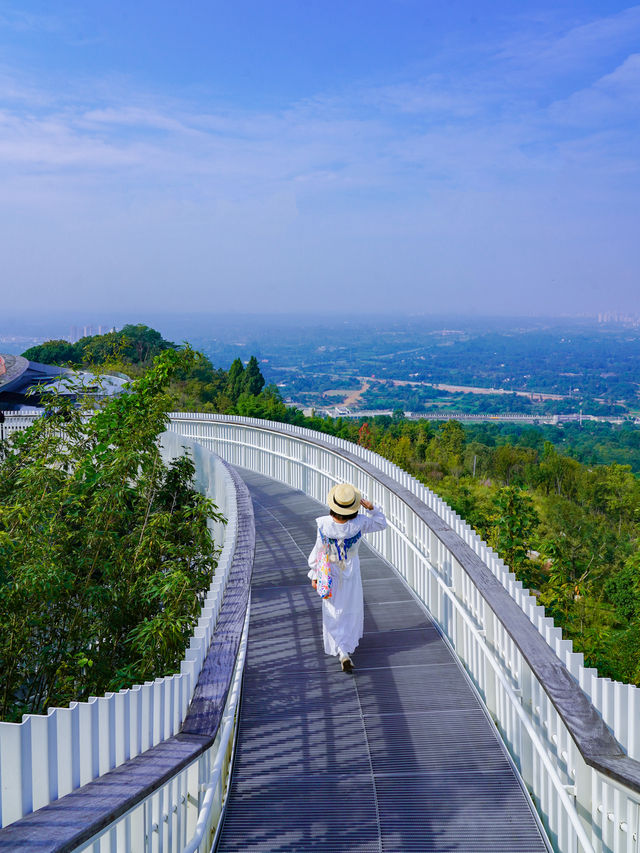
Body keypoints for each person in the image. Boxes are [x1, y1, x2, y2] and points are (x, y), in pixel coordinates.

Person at [308, 482, 387, 672]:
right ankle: (345, 649)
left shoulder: (324, 525)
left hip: (330, 570)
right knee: (350, 606)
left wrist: (314, 573)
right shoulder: (359, 523)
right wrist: (372, 508)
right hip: (351, 569)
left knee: (333, 607)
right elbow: (381, 523)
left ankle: (339, 647)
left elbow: (319, 551)